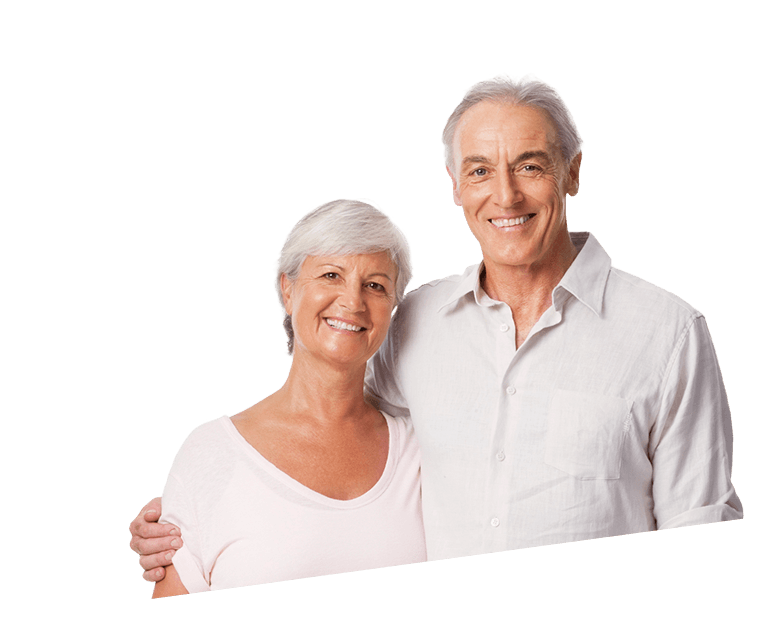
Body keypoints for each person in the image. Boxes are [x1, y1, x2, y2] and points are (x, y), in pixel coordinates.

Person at [131, 72, 742, 577]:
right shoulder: (413, 319)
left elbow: (700, 516)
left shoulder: (668, 334)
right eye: (479, 170)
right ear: (455, 186)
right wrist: (205, 510)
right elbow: (332, 429)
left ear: (573, 172)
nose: (505, 195)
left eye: (530, 165)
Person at [142, 198, 424, 596]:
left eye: (375, 285)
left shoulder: (420, 451)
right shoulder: (212, 453)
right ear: (287, 289)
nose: (353, 301)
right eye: (330, 275)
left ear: (393, 309)